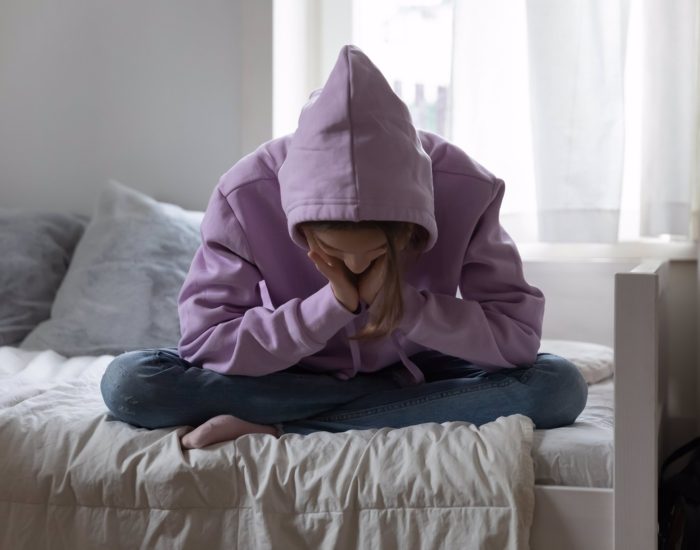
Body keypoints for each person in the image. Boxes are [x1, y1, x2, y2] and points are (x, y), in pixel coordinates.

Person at [100, 44, 588, 450]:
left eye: (376, 255)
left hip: (425, 367)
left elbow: (517, 338)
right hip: (292, 374)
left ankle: (290, 430)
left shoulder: (466, 186)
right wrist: (329, 307)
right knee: (131, 383)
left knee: (558, 387)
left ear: (412, 230)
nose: (354, 266)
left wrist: (408, 310)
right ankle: (389, 412)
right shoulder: (245, 193)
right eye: (333, 255)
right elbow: (207, 342)